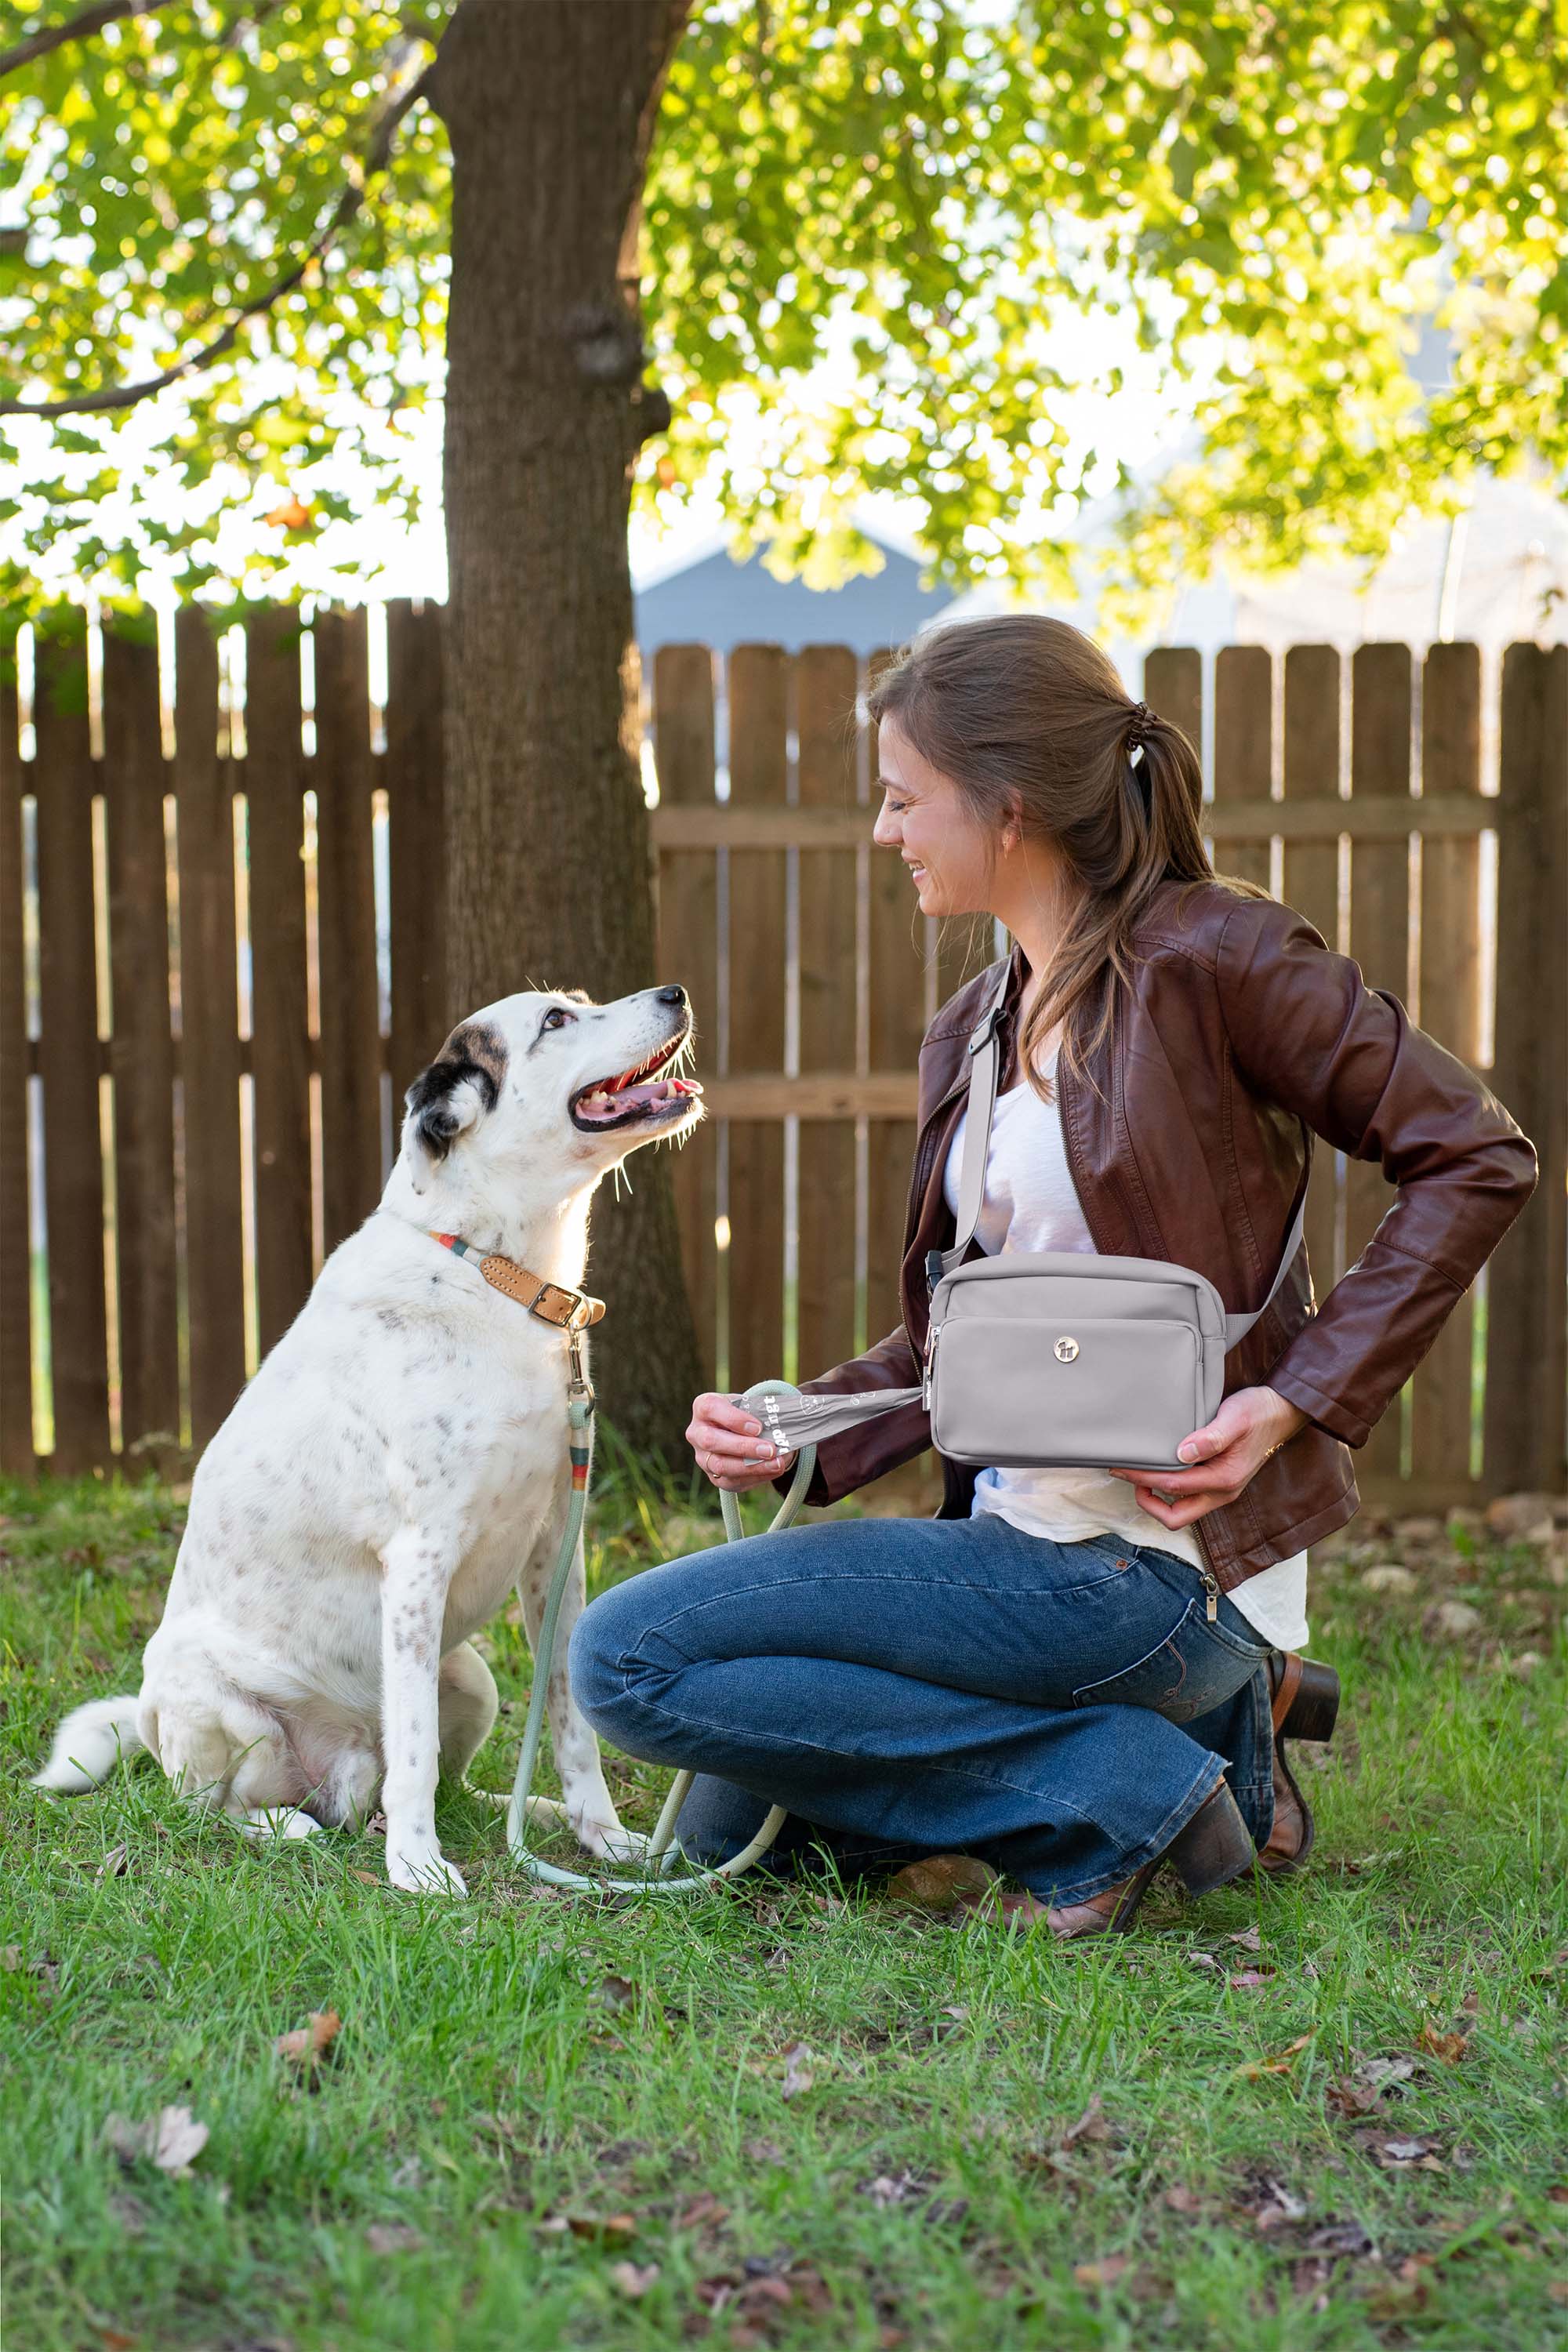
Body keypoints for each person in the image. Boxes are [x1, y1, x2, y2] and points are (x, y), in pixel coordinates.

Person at [570, 615, 1537, 1936]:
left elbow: (1475, 1157)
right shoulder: (974, 1027)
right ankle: (1226, 1747)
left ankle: (1126, 1779)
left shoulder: (1221, 956)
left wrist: (1300, 1402)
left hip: (1144, 1566)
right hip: (1020, 1544)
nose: (884, 831)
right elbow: (966, 1347)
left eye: (905, 800)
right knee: (727, 1825)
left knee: (622, 1660)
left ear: (1007, 803)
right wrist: (797, 1425)